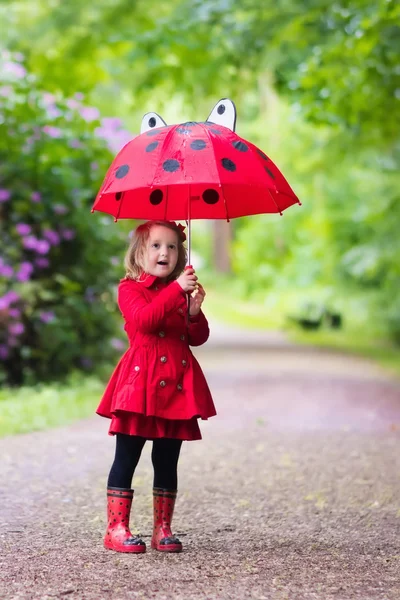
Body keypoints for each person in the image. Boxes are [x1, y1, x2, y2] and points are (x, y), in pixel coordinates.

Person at [96, 220, 216, 554]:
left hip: (175, 387)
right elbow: (146, 321)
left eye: (172, 246)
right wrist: (177, 290)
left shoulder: (181, 293)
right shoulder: (129, 289)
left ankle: (162, 528)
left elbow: (197, 338)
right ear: (139, 253)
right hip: (140, 386)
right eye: (156, 246)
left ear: (180, 254)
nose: (165, 252)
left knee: (167, 460)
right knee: (127, 457)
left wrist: (194, 311)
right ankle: (116, 528)